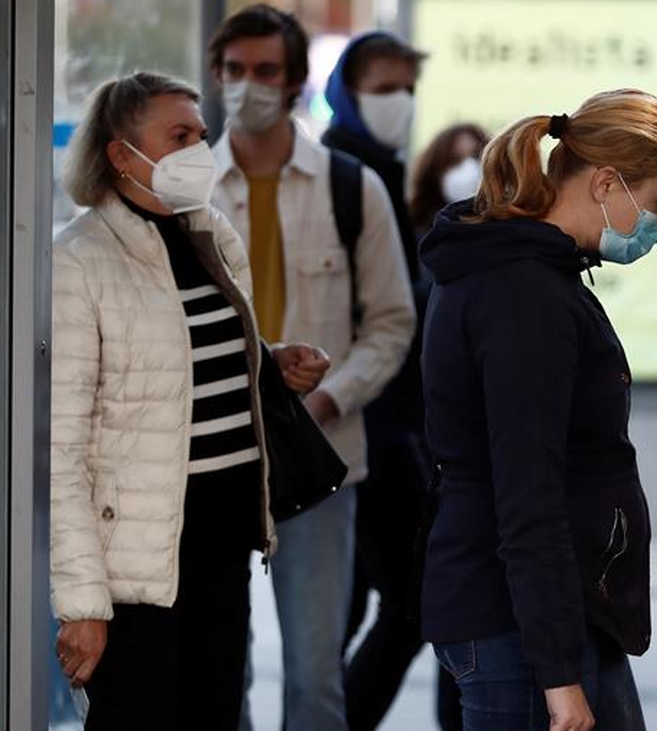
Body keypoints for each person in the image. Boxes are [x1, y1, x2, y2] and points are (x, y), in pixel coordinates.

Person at [51, 71, 330, 730]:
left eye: (201, 136)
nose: (199, 151)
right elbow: (63, 446)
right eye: (178, 137)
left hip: (223, 544)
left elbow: (179, 352)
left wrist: (267, 356)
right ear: (121, 154)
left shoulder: (209, 235)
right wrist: (83, 601)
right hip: (140, 567)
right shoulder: (79, 261)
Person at [420, 89, 657, 731]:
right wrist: (559, 679)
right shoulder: (525, 295)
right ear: (606, 182)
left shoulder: (524, 272)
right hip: (520, 628)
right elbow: (528, 492)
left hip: (541, 617)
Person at [206, 6, 417, 730]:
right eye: (235, 71)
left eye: (266, 72)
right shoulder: (190, 190)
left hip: (320, 460)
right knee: (217, 674)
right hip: (211, 463)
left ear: (297, 82)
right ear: (216, 76)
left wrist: (330, 397)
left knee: (315, 677)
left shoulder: (352, 187)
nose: (248, 87)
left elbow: (392, 323)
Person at [319, 30, 462, 731]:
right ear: (347, 91)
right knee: (407, 604)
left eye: (407, 89)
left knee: (367, 609)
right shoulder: (342, 175)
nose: (398, 102)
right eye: (382, 88)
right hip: (358, 430)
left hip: (387, 430)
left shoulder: (379, 171)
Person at [410, 123, 490, 241]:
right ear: (434, 170)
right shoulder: (411, 229)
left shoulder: (501, 227)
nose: (469, 167)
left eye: (476, 156)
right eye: (456, 160)